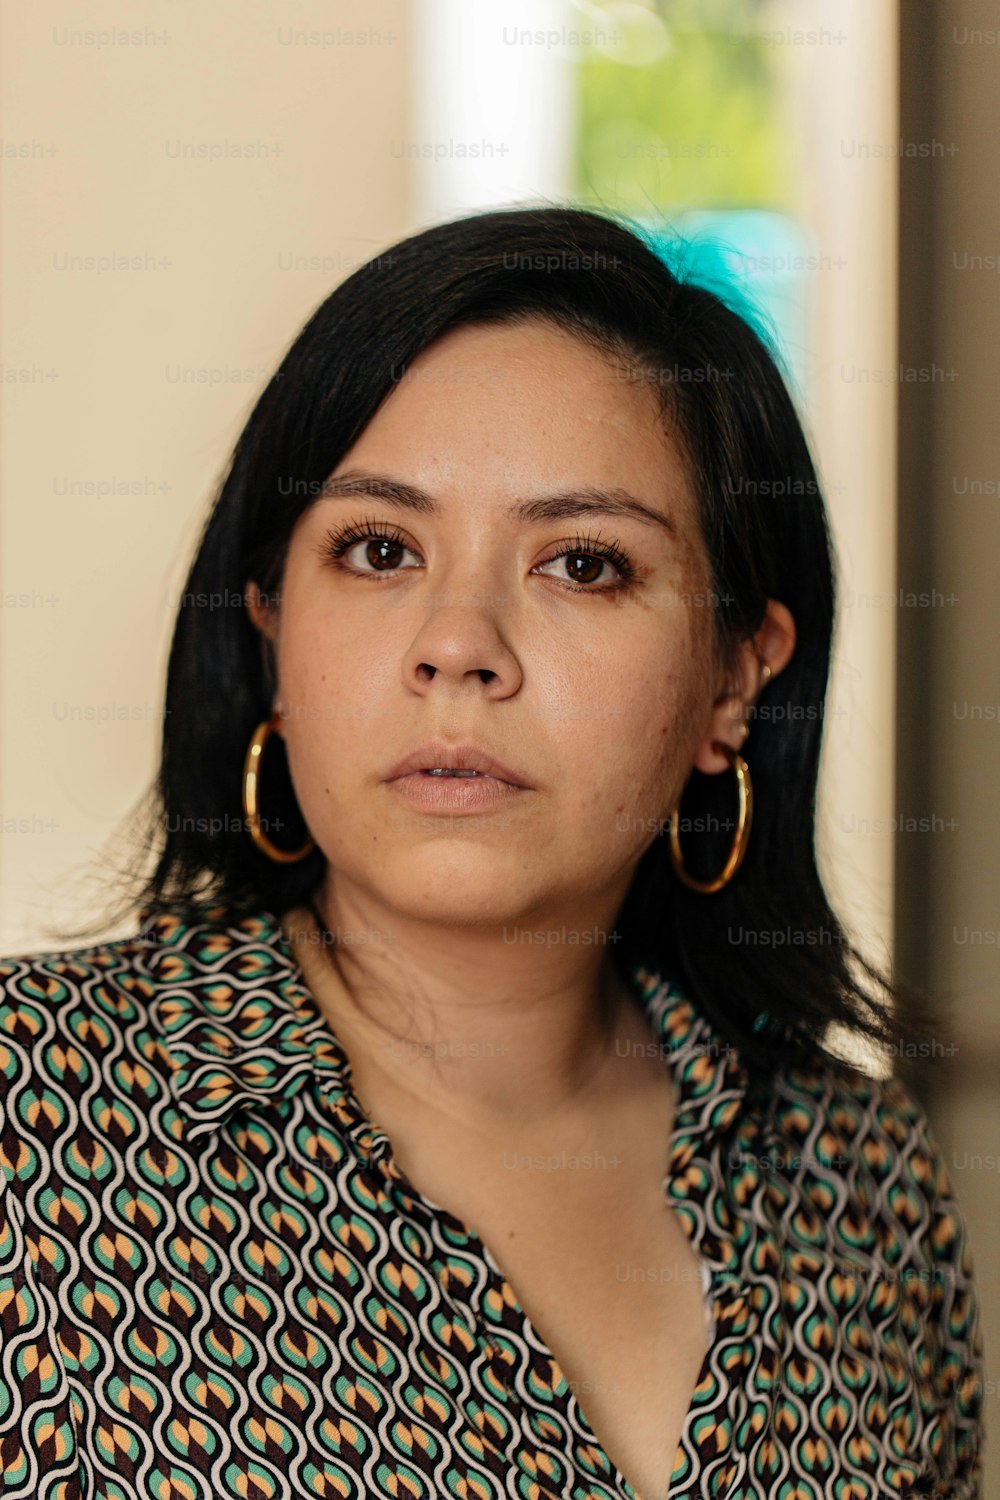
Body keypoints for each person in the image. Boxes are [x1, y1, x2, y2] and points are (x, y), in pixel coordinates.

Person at [0, 205, 983, 1500]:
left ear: (735, 679)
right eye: (379, 548)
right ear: (272, 636)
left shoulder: (859, 1179)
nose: (458, 642)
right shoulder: (34, 1120)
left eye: (582, 563)